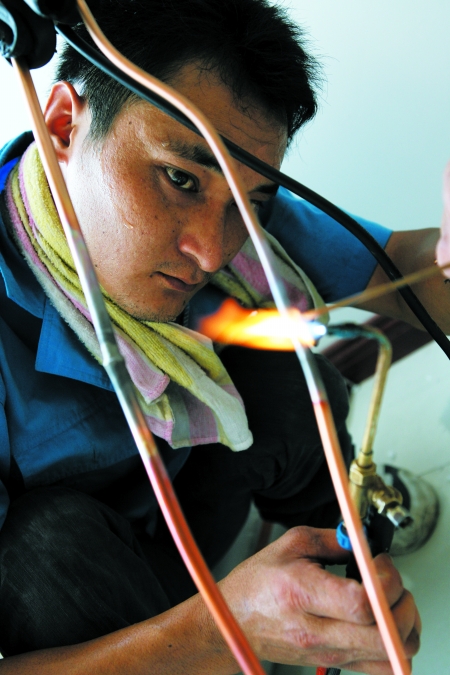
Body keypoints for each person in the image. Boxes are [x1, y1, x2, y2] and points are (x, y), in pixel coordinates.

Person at [0, 0, 446, 671]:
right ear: (63, 124)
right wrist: (222, 632)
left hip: (190, 504)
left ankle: (342, 574)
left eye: (247, 204)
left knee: (286, 383)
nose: (212, 251)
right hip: (85, 604)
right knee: (43, 552)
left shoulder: (237, 216)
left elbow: (403, 273)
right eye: (180, 179)